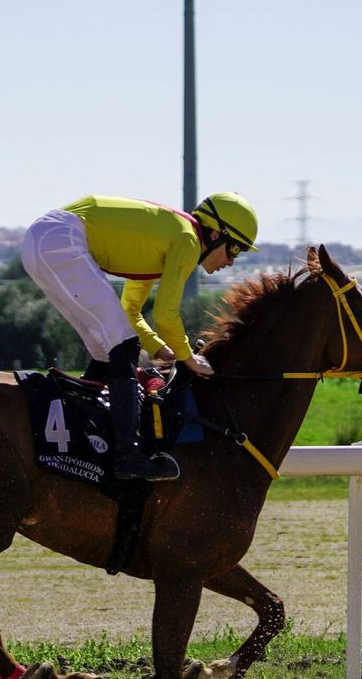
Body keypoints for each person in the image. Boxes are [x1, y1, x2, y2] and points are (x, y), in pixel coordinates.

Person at [21, 192, 259, 482]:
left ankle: (84, 439)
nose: (232, 261)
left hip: (46, 238)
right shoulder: (188, 240)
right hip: (58, 239)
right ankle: (127, 456)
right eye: (234, 248)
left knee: (108, 351)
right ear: (213, 233)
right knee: (121, 345)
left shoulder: (168, 238)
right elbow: (166, 314)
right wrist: (188, 358)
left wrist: (160, 349)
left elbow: (131, 310)